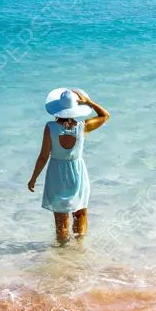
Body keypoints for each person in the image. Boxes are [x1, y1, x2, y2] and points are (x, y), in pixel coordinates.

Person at [27, 88, 110, 243]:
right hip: (77, 172)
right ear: (75, 109)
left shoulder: (50, 127)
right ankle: (79, 248)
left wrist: (33, 178)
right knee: (80, 215)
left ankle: (62, 253)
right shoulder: (83, 126)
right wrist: (88, 102)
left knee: (61, 219)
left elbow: (44, 156)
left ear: (57, 110)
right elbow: (105, 115)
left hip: (56, 174)